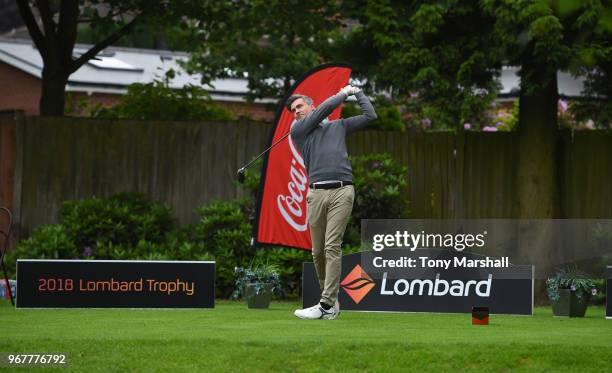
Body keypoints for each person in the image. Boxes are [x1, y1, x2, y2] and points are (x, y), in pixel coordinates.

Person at [289, 85, 377, 320]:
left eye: (300, 106)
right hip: (316, 194)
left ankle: (326, 304)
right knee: (317, 252)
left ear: (311, 106)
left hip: (342, 191)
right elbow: (327, 108)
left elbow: (371, 116)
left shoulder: (338, 126)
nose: (296, 111)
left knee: (331, 246)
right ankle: (331, 302)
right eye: (293, 109)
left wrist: (357, 93)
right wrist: (342, 94)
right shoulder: (298, 130)